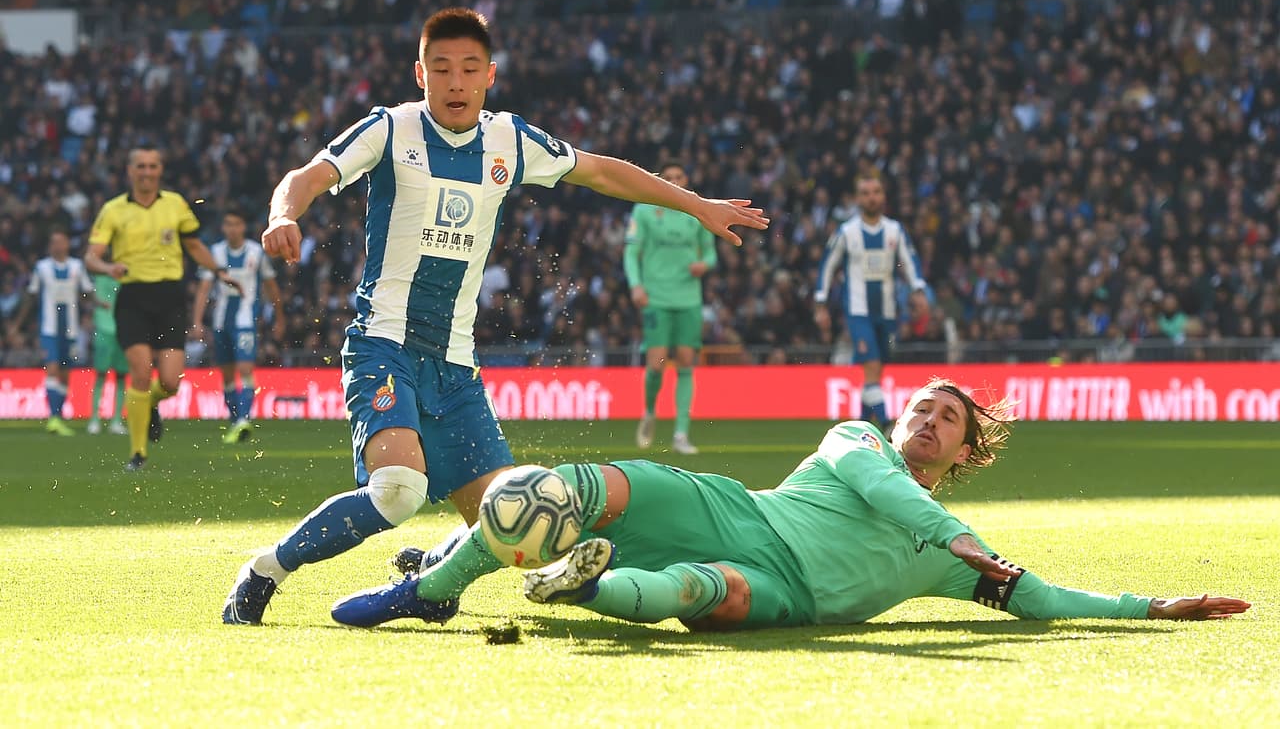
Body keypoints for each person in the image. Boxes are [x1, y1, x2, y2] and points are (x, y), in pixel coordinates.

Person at [222, 7, 768, 625]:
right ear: (420, 74)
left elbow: (600, 172)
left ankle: (434, 571)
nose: (456, 82)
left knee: (513, 519)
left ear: (490, 76)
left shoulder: (509, 139)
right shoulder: (390, 129)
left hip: (456, 364)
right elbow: (306, 175)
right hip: (384, 345)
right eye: (442, 68)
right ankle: (265, 569)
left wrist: (695, 205)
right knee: (398, 489)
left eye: (469, 69)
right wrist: (282, 215)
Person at [331, 379, 1251, 630]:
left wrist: (1153, 605)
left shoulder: (948, 563)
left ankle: (580, 587)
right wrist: (961, 537)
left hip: (783, 590)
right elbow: (895, 493)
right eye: (922, 407)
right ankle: (438, 587)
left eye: (948, 419)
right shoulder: (857, 443)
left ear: (968, 450)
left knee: (710, 596)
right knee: (566, 489)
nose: (927, 421)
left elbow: (1042, 598)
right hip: (733, 510)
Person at [84, 146, 241, 471]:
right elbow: (91, 255)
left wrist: (219, 272)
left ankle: (150, 403)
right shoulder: (113, 210)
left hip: (170, 297)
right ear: (130, 171)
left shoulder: (176, 205)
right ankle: (137, 453)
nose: (146, 171)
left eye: (152, 166)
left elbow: (194, 245)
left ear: (159, 170)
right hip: (132, 297)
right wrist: (106, 267)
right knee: (140, 372)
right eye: (140, 165)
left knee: (171, 381)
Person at [814, 170, 927, 428]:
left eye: (876, 192)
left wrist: (918, 289)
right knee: (872, 364)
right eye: (866, 193)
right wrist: (820, 303)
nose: (872, 198)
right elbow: (827, 266)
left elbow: (910, 262)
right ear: (857, 199)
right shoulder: (847, 232)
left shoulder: (894, 230)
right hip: (857, 312)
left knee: (876, 370)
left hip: (887, 311)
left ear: (883, 196)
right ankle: (888, 424)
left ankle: (864, 422)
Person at [625, 162, 717, 454]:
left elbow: (712, 253)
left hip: (688, 297)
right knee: (657, 364)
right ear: (660, 181)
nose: (675, 181)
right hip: (656, 297)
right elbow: (631, 251)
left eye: (679, 177)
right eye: (669, 178)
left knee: (687, 362)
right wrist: (636, 285)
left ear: (686, 179)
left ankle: (680, 434)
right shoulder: (644, 210)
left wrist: (705, 264)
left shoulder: (697, 211)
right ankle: (650, 412)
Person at [191, 209, 285, 444]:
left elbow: (271, 286)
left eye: (237, 224)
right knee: (227, 375)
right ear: (223, 228)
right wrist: (197, 321)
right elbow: (203, 289)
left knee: (245, 369)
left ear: (243, 227)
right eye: (228, 224)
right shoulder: (214, 253)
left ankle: (244, 419)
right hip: (221, 322)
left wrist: (279, 316)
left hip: (245, 322)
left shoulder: (256, 252)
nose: (232, 229)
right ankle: (235, 422)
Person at [9, 228, 95, 436]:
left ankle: (58, 416)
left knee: (65, 374)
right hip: (49, 328)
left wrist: (97, 304)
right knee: (53, 368)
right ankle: (54, 418)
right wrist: (17, 324)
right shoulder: (42, 267)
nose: (58, 246)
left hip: (71, 328)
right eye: (54, 242)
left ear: (67, 244)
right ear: (50, 246)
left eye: (61, 241)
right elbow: (31, 296)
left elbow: (85, 292)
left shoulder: (77, 266)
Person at [87, 272, 129, 436]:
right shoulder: (98, 275)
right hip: (103, 329)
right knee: (101, 374)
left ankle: (117, 420)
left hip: (124, 329)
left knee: (121, 375)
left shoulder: (127, 277)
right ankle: (94, 419)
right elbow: (87, 292)